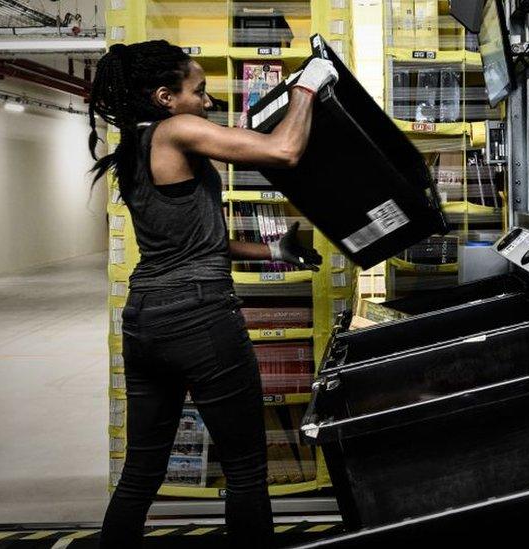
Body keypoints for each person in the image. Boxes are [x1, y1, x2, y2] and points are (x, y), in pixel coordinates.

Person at [87, 40, 337, 548]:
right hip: (200, 316)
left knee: (141, 470)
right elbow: (284, 150)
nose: (207, 101)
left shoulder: (133, 145)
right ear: (165, 97)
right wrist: (309, 83)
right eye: (198, 91)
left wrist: (275, 251)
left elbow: (198, 243)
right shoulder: (176, 130)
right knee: (246, 469)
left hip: (145, 317)